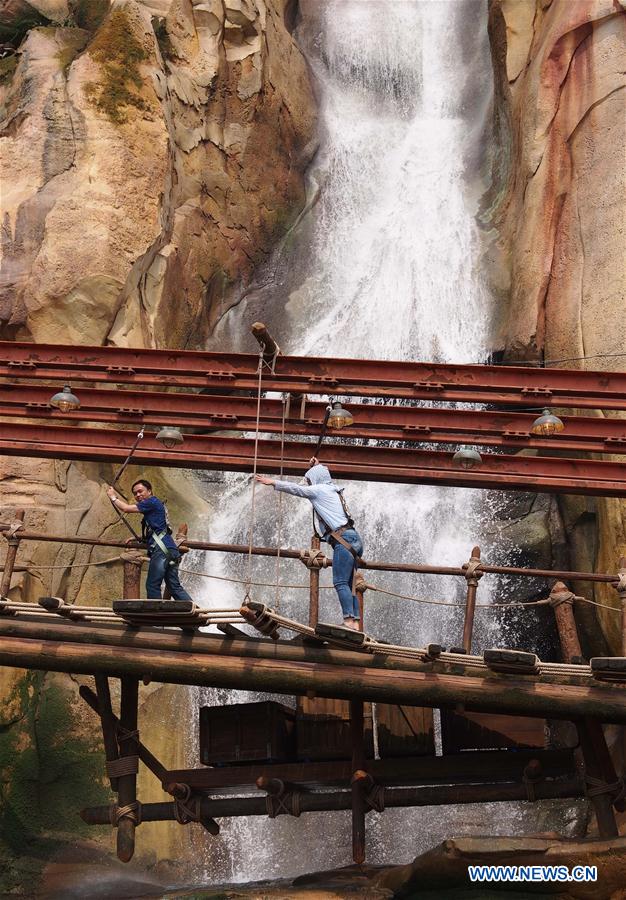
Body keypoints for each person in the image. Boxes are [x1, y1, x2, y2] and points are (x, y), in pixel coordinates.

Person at [255, 458, 363, 630]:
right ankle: (356, 623)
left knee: (341, 582)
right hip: (354, 539)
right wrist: (317, 466)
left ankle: (349, 621)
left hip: (343, 541)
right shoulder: (333, 490)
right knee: (350, 585)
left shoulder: (319, 490)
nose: (309, 483)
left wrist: (273, 482)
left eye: (311, 480)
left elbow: (297, 489)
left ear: (316, 480)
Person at [105, 479, 192, 601]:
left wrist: (113, 497)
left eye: (140, 491)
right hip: (170, 549)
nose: (138, 495)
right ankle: (195, 611)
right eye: (135, 493)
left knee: (152, 585)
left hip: (161, 550)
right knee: (174, 587)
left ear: (149, 491)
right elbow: (158, 530)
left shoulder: (151, 502)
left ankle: (156, 615)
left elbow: (126, 508)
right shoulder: (155, 505)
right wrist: (139, 538)